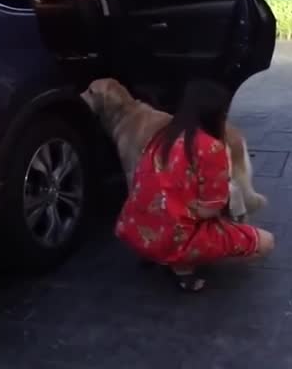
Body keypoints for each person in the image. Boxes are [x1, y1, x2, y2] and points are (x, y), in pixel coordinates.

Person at [114, 79, 275, 292]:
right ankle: (183, 268)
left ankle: (171, 259)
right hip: (173, 238)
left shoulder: (161, 136)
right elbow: (210, 209)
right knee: (265, 243)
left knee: (178, 215)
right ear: (216, 115)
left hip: (135, 231)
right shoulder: (210, 148)